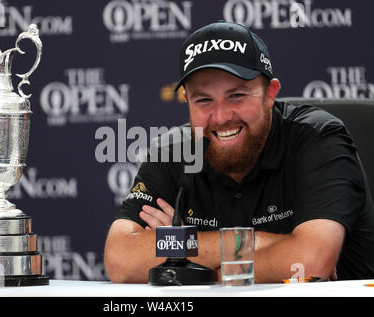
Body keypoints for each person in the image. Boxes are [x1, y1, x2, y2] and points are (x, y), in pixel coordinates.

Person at [103, 21, 374, 283]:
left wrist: (187, 257)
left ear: (270, 94)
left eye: (237, 96)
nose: (220, 117)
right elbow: (120, 259)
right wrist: (250, 241)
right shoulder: (173, 151)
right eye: (204, 100)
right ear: (187, 101)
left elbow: (311, 261)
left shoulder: (319, 138)